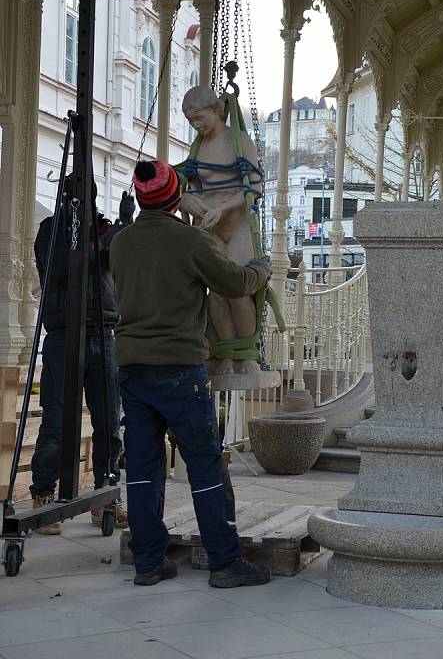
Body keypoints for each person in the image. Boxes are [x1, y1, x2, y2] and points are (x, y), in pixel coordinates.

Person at [110, 159, 272, 588]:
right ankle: (224, 561)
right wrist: (261, 270)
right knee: (204, 465)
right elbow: (233, 282)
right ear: (176, 198)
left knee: (144, 467)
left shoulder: (121, 243)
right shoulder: (190, 240)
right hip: (179, 369)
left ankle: (148, 562)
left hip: (132, 368)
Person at [30, 176, 127, 534]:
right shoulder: (49, 230)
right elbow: (59, 268)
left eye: (89, 198)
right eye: (78, 198)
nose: (84, 203)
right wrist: (91, 238)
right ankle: (43, 492)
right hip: (63, 336)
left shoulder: (100, 229)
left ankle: (106, 494)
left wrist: (123, 228)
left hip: (102, 332)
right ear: (66, 198)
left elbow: (116, 262)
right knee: (55, 422)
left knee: (107, 423)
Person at [180, 86, 263, 377]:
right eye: (191, 121)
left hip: (237, 226)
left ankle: (246, 354)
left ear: (216, 110)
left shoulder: (239, 141)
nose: (196, 125)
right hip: (209, 228)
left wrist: (223, 208)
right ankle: (226, 353)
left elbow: (255, 186)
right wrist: (188, 199)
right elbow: (191, 186)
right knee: (215, 293)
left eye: (200, 118)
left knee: (237, 289)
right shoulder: (197, 147)